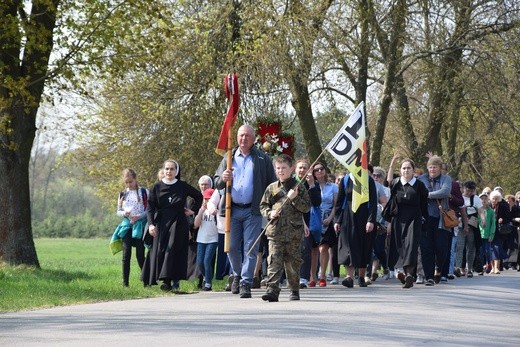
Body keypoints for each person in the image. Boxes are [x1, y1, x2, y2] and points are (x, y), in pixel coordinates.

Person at [214, 124, 276, 298]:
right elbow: (216, 180)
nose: (244, 139)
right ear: (237, 137)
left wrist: (271, 207)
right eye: (241, 135)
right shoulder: (229, 156)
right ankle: (237, 274)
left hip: (253, 210)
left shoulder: (262, 159)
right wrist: (223, 178)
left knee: (250, 248)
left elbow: (272, 185)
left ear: (254, 138)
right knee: (232, 247)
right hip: (231, 209)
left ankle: (245, 283)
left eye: (247, 136)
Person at [141, 160, 203, 291]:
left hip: (179, 222)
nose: (169, 171)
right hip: (162, 223)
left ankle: (171, 281)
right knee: (162, 250)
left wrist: (193, 211)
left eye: (172, 169)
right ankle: (165, 280)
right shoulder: (156, 187)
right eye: (167, 169)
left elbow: (199, 196)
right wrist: (151, 224)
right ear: (163, 170)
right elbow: (150, 207)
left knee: (175, 250)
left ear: (176, 171)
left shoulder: (182, 186)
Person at [259, 154, 310, 302]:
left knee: (292, 264)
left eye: (284, 168)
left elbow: (306, 207)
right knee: (274, 261)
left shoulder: (298, 187)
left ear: (291, 169)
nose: (280, 171)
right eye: (278, 168)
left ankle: (294, 289)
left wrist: (294, 199)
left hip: (293, 232)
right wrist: (270, 213)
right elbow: (263, 206)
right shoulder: (271, 188)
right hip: (275, 231)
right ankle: (272, 290)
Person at [386, 160, 429, 288]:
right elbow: (388, 182)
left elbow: (423, 204)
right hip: (398, 219)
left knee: (411, 245)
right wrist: (391, 164)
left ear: (413, 170)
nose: (406, 170)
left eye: (408, 168)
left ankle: (409, 274)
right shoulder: (396, 183)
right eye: (403, 168)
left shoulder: (419, 185)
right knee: (399, 244)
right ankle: (401, 272)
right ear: (400, 170)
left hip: (414, 219)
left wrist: (424, 220)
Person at [334, 171, 378, 288]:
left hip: (364, 216)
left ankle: (362, 277)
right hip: (347, 216)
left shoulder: (368, 180)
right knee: (348, 245)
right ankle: (349, 277)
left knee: (363, 245)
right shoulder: (345, 180)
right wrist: (337, 220)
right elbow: (339, 201)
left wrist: (371, 220)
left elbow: (373, 201)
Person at [417, 155, 452, 286]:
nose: (432, 169)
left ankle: (439, 267)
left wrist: (428, 195)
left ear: (440, 168)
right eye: (430, 167)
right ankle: (429, 277)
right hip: (425, 219)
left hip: (441, 219)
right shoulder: (421, 179)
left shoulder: (446, 179)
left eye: (435, 167)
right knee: (426, 248)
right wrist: (429, 194)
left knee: (441, 248)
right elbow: (421, 192)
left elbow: (445, 191)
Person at [111, 168, 148, 287]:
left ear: (135, 179)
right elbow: (118, 211)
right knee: (126, 254)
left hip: (140, 225)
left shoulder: (144, 192)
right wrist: (124, 214)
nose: (128, 184)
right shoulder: (122, 194)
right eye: (126, 182)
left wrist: (139, 216)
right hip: (127, 226)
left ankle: (147, 281)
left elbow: (148, 211)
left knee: (140, 255)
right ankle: (125, 284)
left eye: (130, 181)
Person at [294, 159, 321, 289]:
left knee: (305, 249)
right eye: (300, 167)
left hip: (307, 222)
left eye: (305, 168)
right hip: (290, 221)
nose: (302, 170)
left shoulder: (313, 184)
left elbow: (316, 202)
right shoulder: (290, 183)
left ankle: (303, 278)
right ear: (295, 169)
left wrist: (311, 185)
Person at [311, 162, 338, 287]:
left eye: (321, 169)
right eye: (316, 170)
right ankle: (312, 277)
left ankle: (323, 276)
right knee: (313, 249)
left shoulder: (333, 187)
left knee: (324, 248)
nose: (319, 171)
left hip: (327, 219)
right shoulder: (311, 186)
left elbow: (336, 205)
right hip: (314, 218)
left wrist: (330, 218)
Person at [454, 181, 485, 278]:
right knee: (460, 246)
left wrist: (483, 220)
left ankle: (470, 268)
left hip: (473, 224)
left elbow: (480, 211)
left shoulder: (476, 199)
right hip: (460, 224)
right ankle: (459, 268)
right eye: (468, 190)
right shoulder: (459, 198)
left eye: (472, 191)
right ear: (463, 188)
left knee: (471, 247)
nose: (469, 193)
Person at [194, 188, 218, 291]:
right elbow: (196, 224)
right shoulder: (202, 210)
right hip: (201, 239)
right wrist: (201, 211)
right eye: (205, 199)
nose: (207, 201)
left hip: (213, 239)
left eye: (209, 199)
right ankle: (205, 276)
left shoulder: (215, 211)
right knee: (200, 262)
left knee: (207, 260)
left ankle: (208, 282)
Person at [489, 190, 511, 274]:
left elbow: (508, 217)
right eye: (493, 199)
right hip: (489, 229)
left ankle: (496, 267)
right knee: (490, 248)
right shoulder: (488, 205)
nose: (495, 200)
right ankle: (492, 267)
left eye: (497, 199)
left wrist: (502, 219)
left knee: (497, 247)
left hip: (499, 230)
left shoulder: (503, 205)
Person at [479, 192, 496, 274]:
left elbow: (493, 224)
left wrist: (492, 234)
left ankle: (488, 263)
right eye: (482, 199)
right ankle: (481, 267)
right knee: (480, 252)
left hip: (488, 234)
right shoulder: (479, 210)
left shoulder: (491, 211)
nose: (483, 200)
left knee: (488, 251)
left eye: (485, 198)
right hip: (480, 235)